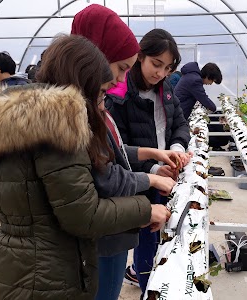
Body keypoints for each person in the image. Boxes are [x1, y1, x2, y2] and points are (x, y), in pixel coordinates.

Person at [0, 34, 170, 300]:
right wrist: (147, 209)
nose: (103, 102)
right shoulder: (57, 127)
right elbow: (84, 214)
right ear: (83, 84)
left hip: (11, 266)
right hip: (45, 278)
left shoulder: (21, 119)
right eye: (101, 93)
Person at [71, 5, 183, 300]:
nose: (121, 79)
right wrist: (151, 183)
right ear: (94, 56)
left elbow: (114, 152)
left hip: (115, 225)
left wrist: (157, 153)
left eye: (168, 68)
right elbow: (103, 179)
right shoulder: (75, 114)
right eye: (121, 67)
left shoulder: (95, 102)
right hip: (104, 232)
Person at [105, 28, 191, 297]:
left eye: (167, 67)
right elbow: (119, 151)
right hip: (139, 180)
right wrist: (155, 168)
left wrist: (176, 149)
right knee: (145, 236)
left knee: (161, 232)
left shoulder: (165, 90)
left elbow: (179, 123)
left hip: (165, 173)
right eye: (156, 64)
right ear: (140, 57)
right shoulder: (119, 96)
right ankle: (147, 286)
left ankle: (156, 280)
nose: (160, 73)